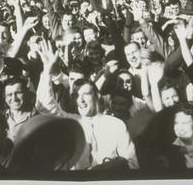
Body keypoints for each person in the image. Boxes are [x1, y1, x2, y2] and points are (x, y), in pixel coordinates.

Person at [36, 40, 138, 170]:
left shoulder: (116, 125)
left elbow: (133, 164)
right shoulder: (70, 123)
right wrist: (47, 70)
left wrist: (106, 168)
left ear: (97, 96)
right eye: (77, 96)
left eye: (86, 94)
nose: (81, 100)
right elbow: (44, 107)